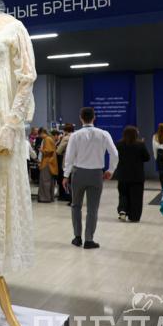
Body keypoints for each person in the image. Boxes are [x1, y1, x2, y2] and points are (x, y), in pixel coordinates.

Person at [62, 107, 119, 249]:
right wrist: (110, 170)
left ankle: (77, 237)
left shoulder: (75, 135)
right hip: (96, 174)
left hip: (78, 173)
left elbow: (69, 157)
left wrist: (66, 175)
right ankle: (89, 239)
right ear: (94, 117)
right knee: (93, 208)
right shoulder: (104, 134)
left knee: (76, 206)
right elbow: (114, 154)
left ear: (80, 118)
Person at [115, 126, 150, 222]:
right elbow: (147, 158)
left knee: (123, 194)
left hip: (123, 174)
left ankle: (122, 210)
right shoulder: (140, 144)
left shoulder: (119, 144)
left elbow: (115, 157)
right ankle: (134, 216)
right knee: (136, 197)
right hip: (137, 175)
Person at [37, 128, 57, 202]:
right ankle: (49, 197)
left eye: (40, 134)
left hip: (47, 162)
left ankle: (45, 198)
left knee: (45, 181)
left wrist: (41, 150)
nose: (40, 136)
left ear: (42, 133)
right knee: (49, 181)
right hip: (50, 162)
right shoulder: (50, 138)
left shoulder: (47, 139)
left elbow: (48, 151)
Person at [56, 123, 74, 201]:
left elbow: (59, 151)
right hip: (77, 163)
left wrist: (60, 140)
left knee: (67, 180)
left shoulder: (66, 138)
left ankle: (69, 197)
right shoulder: (76, 136)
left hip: (67, 161)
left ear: (65, 131)